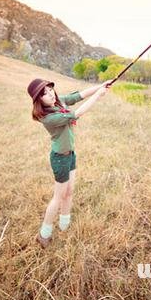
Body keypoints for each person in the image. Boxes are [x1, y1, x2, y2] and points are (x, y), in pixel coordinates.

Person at [27, 77, 112, 248]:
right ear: (39, 101)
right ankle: (44, 235)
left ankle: (64, 225)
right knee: (58, 197)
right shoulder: (48, 117)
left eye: (50, 89)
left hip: (70, 154)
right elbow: (77, 114)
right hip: (60, 158)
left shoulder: (59, 103)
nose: (50, 94)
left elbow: (79, 95)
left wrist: (99, 87)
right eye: (44, 94)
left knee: (70, 191)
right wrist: (98, 96)